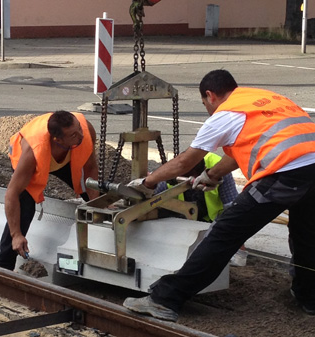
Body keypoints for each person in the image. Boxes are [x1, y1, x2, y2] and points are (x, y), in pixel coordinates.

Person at [124, 69, 315, 320]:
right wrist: (212, 175)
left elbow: (184, 163)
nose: (207, 108)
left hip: (284, 171)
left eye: (205, 104)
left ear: (210, 95)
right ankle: (309, 297)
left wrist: (147, 182)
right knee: (307, 234)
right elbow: (245, 148)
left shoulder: (225, 114)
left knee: (225, 234)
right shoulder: (263, 99)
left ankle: (165, 299)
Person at [0, 110, 99, 271]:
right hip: (36, 159)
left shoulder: (85, 131)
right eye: (73, 134)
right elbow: (11, 194)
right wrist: (16, 234)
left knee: (93, 195)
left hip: (65, 156)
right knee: (25, 210)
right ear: (57, 139)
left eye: (78, 128)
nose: (80, 135)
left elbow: (91, 168)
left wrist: (97, 203)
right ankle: (4, 268)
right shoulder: (32, 152)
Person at [155, 152, 248, 267]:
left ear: (204, 171)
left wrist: (239, 247)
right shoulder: (173, 172)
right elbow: (152, 197)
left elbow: (232, 208)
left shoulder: (219, 167)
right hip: (183, 222)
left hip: (213, 224)